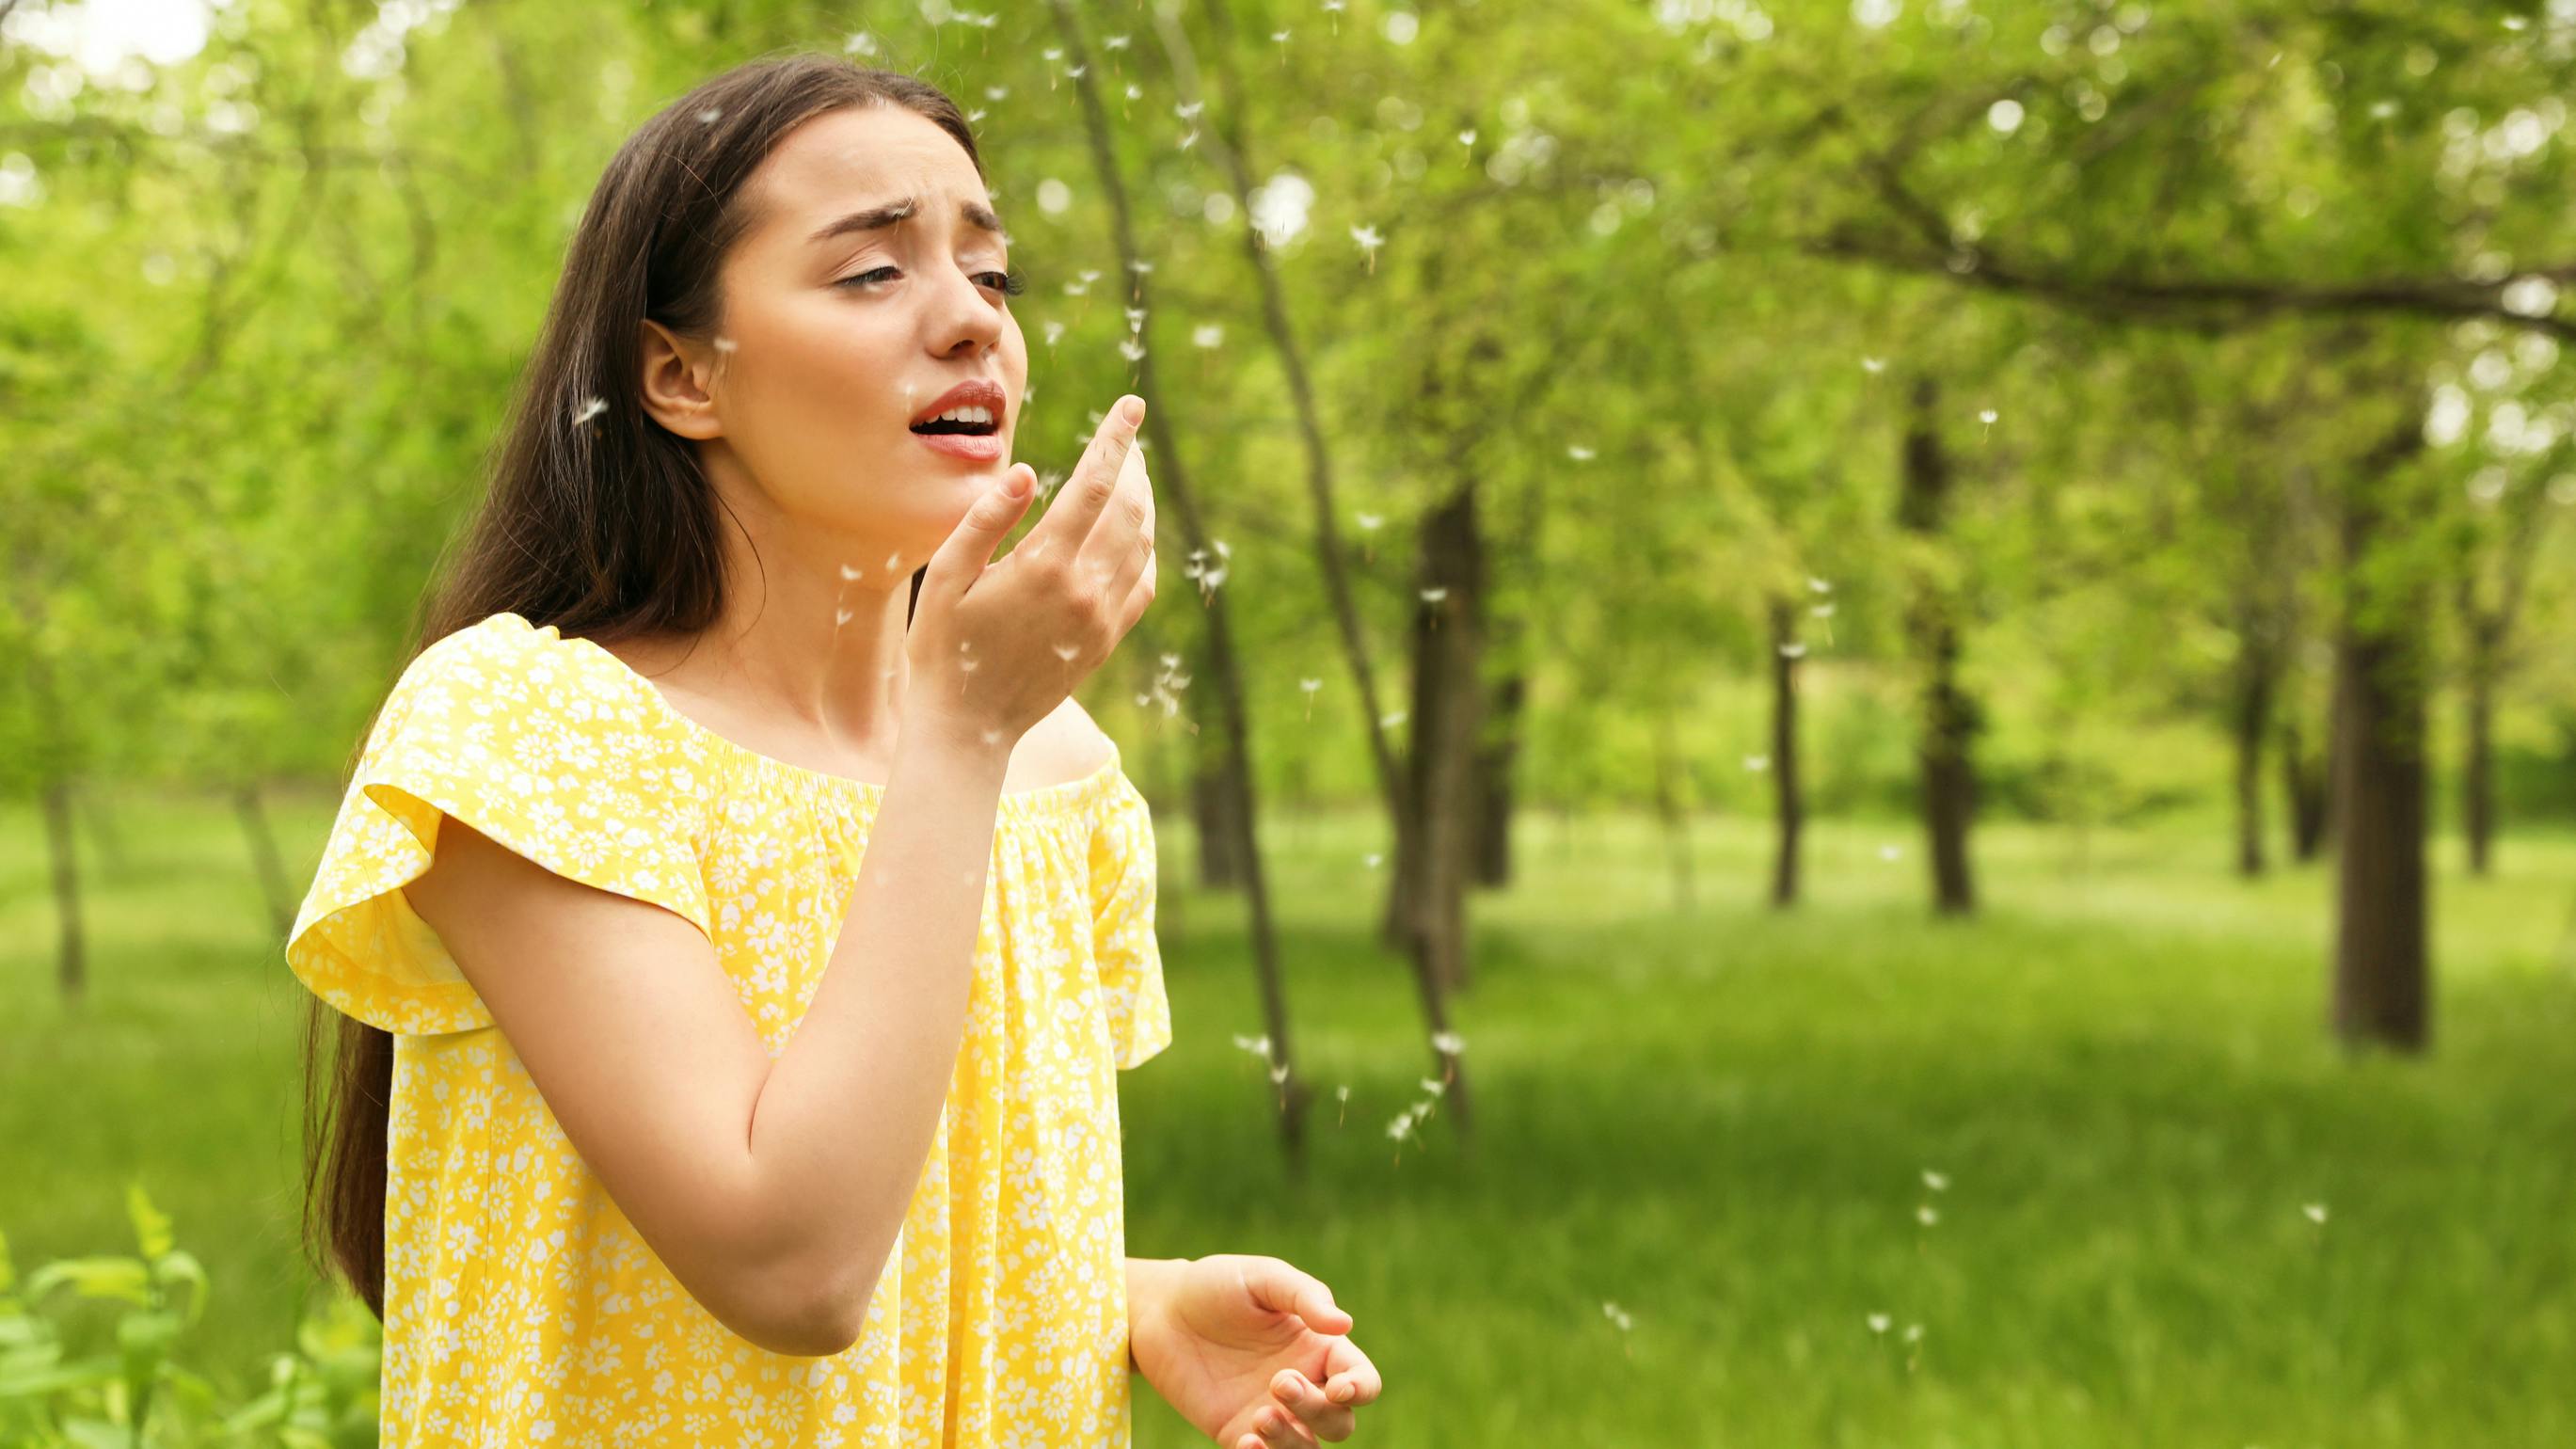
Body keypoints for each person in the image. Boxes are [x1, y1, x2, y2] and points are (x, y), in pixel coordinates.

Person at [286, 54, 1380, 1448]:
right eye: (872, 274)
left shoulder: (1056, 771)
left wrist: (1129, 1298)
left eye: (992, 278)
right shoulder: (531, 735)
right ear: (679, 374)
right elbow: (790, 1266)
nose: (970, 325)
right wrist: (963, 730)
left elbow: (918, 1210)